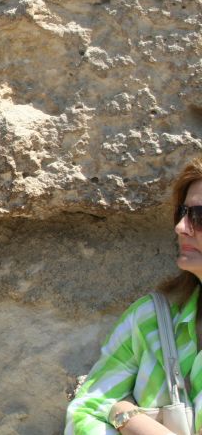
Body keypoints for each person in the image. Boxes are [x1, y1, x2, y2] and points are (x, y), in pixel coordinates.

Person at [65, 157, 202, 434]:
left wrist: (126, 414)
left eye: (199, 217)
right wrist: (123, 416)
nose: (180, 228)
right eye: (182, 213)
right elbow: (86, 411)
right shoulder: (152, 318)